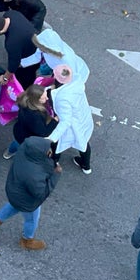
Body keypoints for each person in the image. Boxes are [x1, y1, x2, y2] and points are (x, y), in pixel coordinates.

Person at [34, 26, 94, 175]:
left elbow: (65, 121)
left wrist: (50, 138)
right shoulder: (77, 84)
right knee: (83, 143)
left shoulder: (61, 97)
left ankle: (52, 165)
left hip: (70, 123)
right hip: (82, 118)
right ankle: (86, 166)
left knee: (57, 145)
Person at [0, 137, 58, 249]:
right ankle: (27, 241)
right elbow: (41, 193)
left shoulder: (23, 152)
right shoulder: (34, 174)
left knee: (13, 205)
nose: (49, 152)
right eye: (47, 150)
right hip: (28, 201)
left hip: (15, 191)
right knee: (32, 219)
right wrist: (56, 175)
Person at [0, 9, 42, 86]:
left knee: (25, 78)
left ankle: (26, 89)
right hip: (35, 41)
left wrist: (5, 78)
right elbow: (0, 27)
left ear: (0, 32)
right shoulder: (11, 14)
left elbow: (14, 64)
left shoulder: (12, 43)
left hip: (31, 57)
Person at [4, 83, 57, 158]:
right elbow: (43, 133)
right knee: (25, 151)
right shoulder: (35, 115)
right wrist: (54, 121)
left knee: (16, 143)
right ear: (36, 99)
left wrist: (49, 88)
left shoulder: (25, 101)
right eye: (44, 97)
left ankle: (9, 152)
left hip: (19, 132)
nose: (47, 98)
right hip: (28, 138)